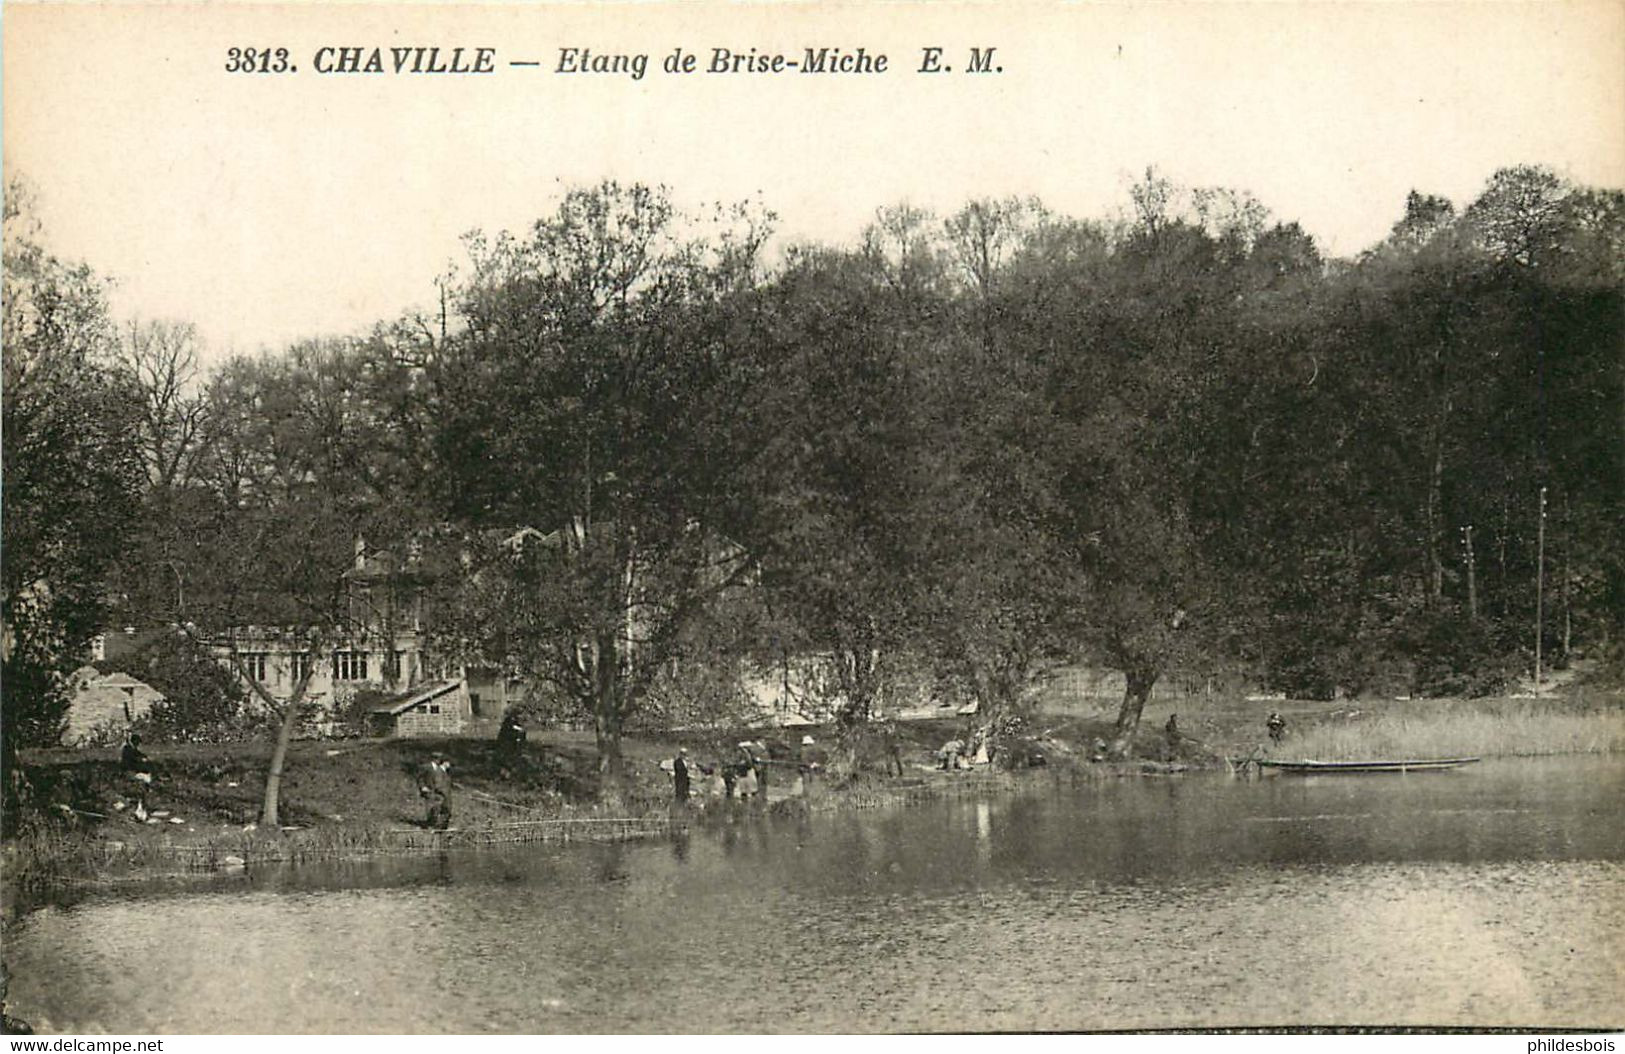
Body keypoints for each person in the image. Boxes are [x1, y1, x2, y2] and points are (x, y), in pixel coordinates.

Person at [419, 754, 453, 830]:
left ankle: (439, 825)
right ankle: (433, 825)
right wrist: (423, 787)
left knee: (443, 809)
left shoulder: (442, 771)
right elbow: (421, 778)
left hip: (442, 792)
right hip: (437, 792)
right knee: (434, 808)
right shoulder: (433, 769)